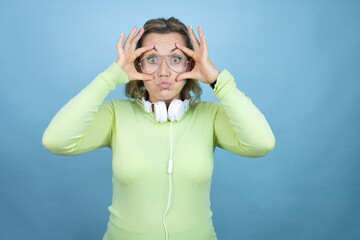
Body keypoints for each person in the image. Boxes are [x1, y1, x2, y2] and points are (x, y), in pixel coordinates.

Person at [42, 17, 275, 240]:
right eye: (152, 59)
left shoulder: (210, 117)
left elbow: (262, 143)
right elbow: (55, 141)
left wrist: (216, 79)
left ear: (191, 64)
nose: (163, 71)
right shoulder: (115, 115)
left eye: (175, 59)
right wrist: (110, 76)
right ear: (138, 65)